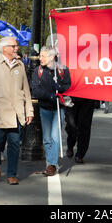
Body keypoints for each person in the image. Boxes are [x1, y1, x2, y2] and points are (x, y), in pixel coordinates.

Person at [0, 37, 34, 185]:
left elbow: (26, 90)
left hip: (16, 112)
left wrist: (29, 111)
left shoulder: (20, 65)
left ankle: (11, 174)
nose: (17, 48)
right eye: (14, 46)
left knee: (15, 143)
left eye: (16, 46)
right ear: (4, 48)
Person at [31, 46, 71, 176]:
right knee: (47, 138)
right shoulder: (38, 71)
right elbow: (35, 90)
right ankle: (50, 162)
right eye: (40, 56)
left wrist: (59, 87)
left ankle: (52, 164)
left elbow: (68, 86)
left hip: (58, 109)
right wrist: (50, 95)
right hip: (45, 108)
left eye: (43, 56)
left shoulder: (62, 69)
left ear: (52, 57)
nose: (40, 58)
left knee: (55, 136)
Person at [65, 97, 96, 163]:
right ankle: (70, 145)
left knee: (84, 125)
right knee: (71, 123)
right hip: (72, 95)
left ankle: (80, 154)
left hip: (88, 97)